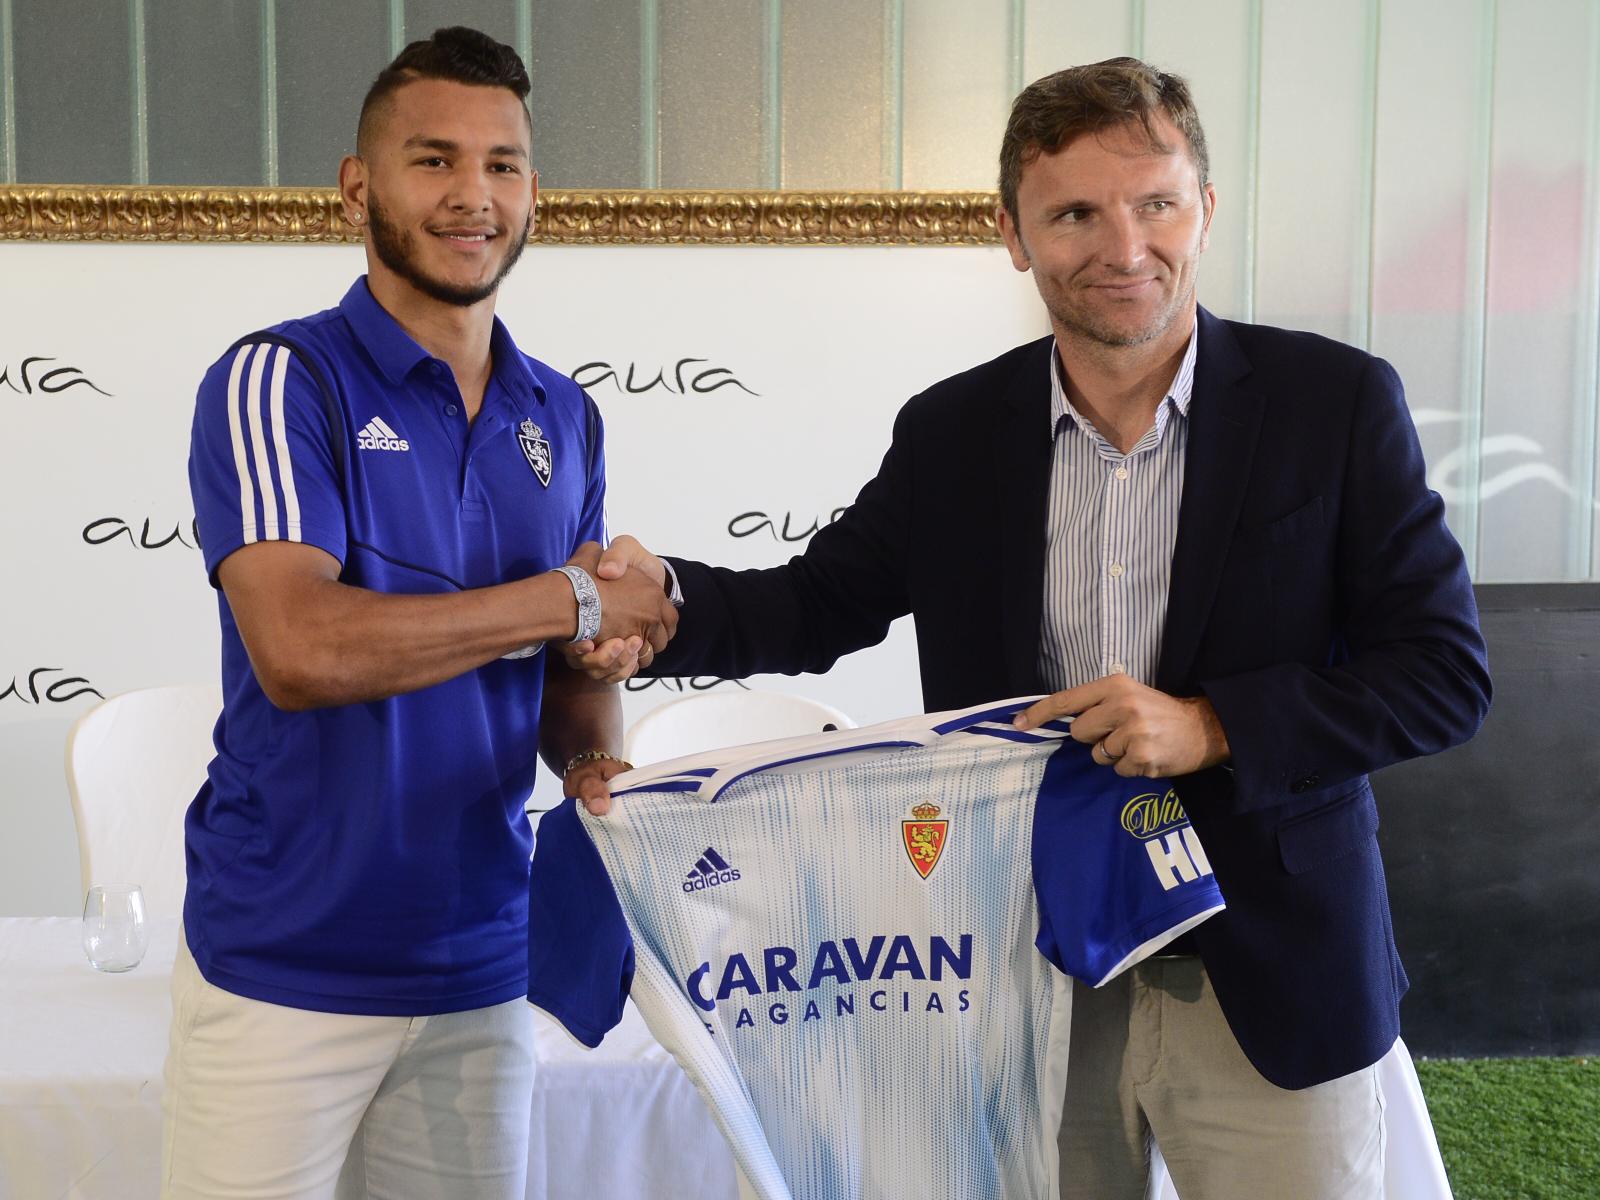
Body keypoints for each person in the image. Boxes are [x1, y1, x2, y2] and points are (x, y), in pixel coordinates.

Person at [570, 58, 1491, 1200]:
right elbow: (820, 602)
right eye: (1073, 214)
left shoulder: (1336, 404)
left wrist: (1210, 726)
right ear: (1011, 232)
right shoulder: (955, 430)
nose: (1123, 246)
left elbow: (1443, 674)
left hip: (1271, 968)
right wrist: (666, 601)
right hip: (1024, 974)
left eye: (1156, 202)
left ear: (1206, 206)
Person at [168, 27, 675, 1200]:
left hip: (480, 967)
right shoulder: (279, 379)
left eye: (503, 165)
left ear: (534, 190)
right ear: (359, 186)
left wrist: (600, 744)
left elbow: (566, 684)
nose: (472, 195)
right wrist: (569, 596)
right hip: (282, 968)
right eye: (434, 160)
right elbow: (302, 649)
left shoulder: (566, 415)